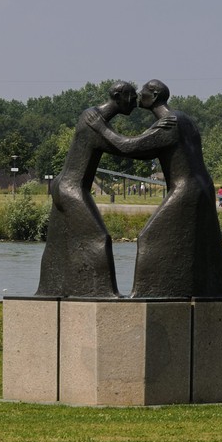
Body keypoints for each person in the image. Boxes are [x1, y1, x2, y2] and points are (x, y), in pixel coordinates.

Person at [91, 78, 222, 298]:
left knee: (150, 238)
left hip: (186, 191)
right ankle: (203, 288)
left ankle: (146, 295)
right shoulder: (183, 120)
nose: (138, 97)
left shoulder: (170, 123)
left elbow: (129, 148)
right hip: (203, 187)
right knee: (204, 243)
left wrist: (100, 128)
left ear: (154, 96)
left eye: (143, 92)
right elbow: (148, 150)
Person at [36, 81, 173, 298]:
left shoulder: (95, 118)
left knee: (58, 243)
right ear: (119, 98)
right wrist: (155, 136)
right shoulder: (93, 120)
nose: (135, 100)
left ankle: (51, 288)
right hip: (71, 189)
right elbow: (123, 147)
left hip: (67, 186)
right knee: (98, 238)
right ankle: (104, 293)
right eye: (131, 96)